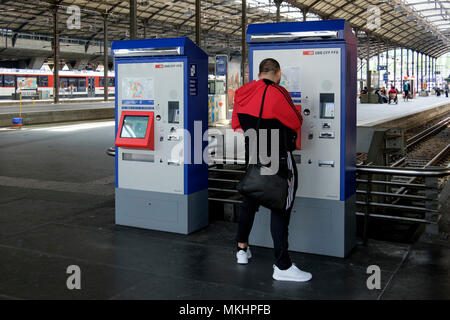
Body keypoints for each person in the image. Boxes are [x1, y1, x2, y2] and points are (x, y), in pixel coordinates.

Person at [231, 58, 311, 282]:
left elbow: (236, 124)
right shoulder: (278, 92)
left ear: (259, 72)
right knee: (280, 206)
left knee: (250, 197)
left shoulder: (242, 92)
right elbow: (296, 122)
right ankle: (282, 266)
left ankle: (241, 249)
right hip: (277, 157)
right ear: (278, 73)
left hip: (254, 154)